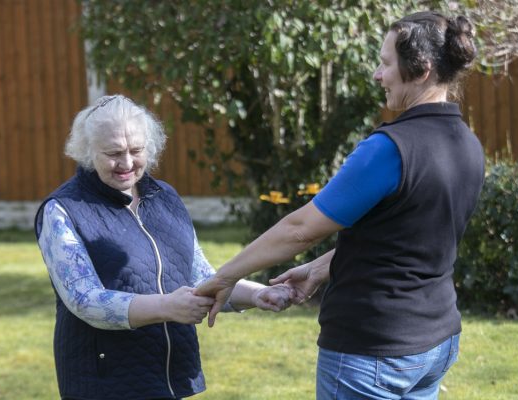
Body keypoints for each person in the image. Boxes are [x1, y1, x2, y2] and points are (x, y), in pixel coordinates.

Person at [195, 11, 484, 400]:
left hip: (373, 348)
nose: (378, 75)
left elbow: (300, 229)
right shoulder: (468, 144)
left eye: (385, 64)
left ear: (421, 70)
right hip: (435, 342)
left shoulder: (389, 150)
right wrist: (319, 268)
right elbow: (403, 236)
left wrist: (226, 276)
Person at [34, 94, 292, 400]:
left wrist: (258, 294)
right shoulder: (62, 209)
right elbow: (84, 299)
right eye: (113, 153)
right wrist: (168, 306)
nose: (127, 163)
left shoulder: (165, 197)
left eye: (136, 150)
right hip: (104, 383)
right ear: (87, 151)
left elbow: (201, 277)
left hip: (170, 379)